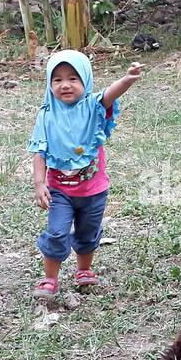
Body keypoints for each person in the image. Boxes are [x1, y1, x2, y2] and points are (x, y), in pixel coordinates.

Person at [27, 50, 141, 299]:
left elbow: (110, 94)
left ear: (86, 81)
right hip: (60, 191)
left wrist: (127, 79)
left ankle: (84, 270)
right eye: (57, 80)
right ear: (49, 83)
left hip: (94, 191)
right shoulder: (46, 115)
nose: (65, 85)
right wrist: (39, 183)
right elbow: (39, 151)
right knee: (56, 232)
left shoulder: (93, 107)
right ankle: (49, 278)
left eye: (73, 78)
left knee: (87, 232)